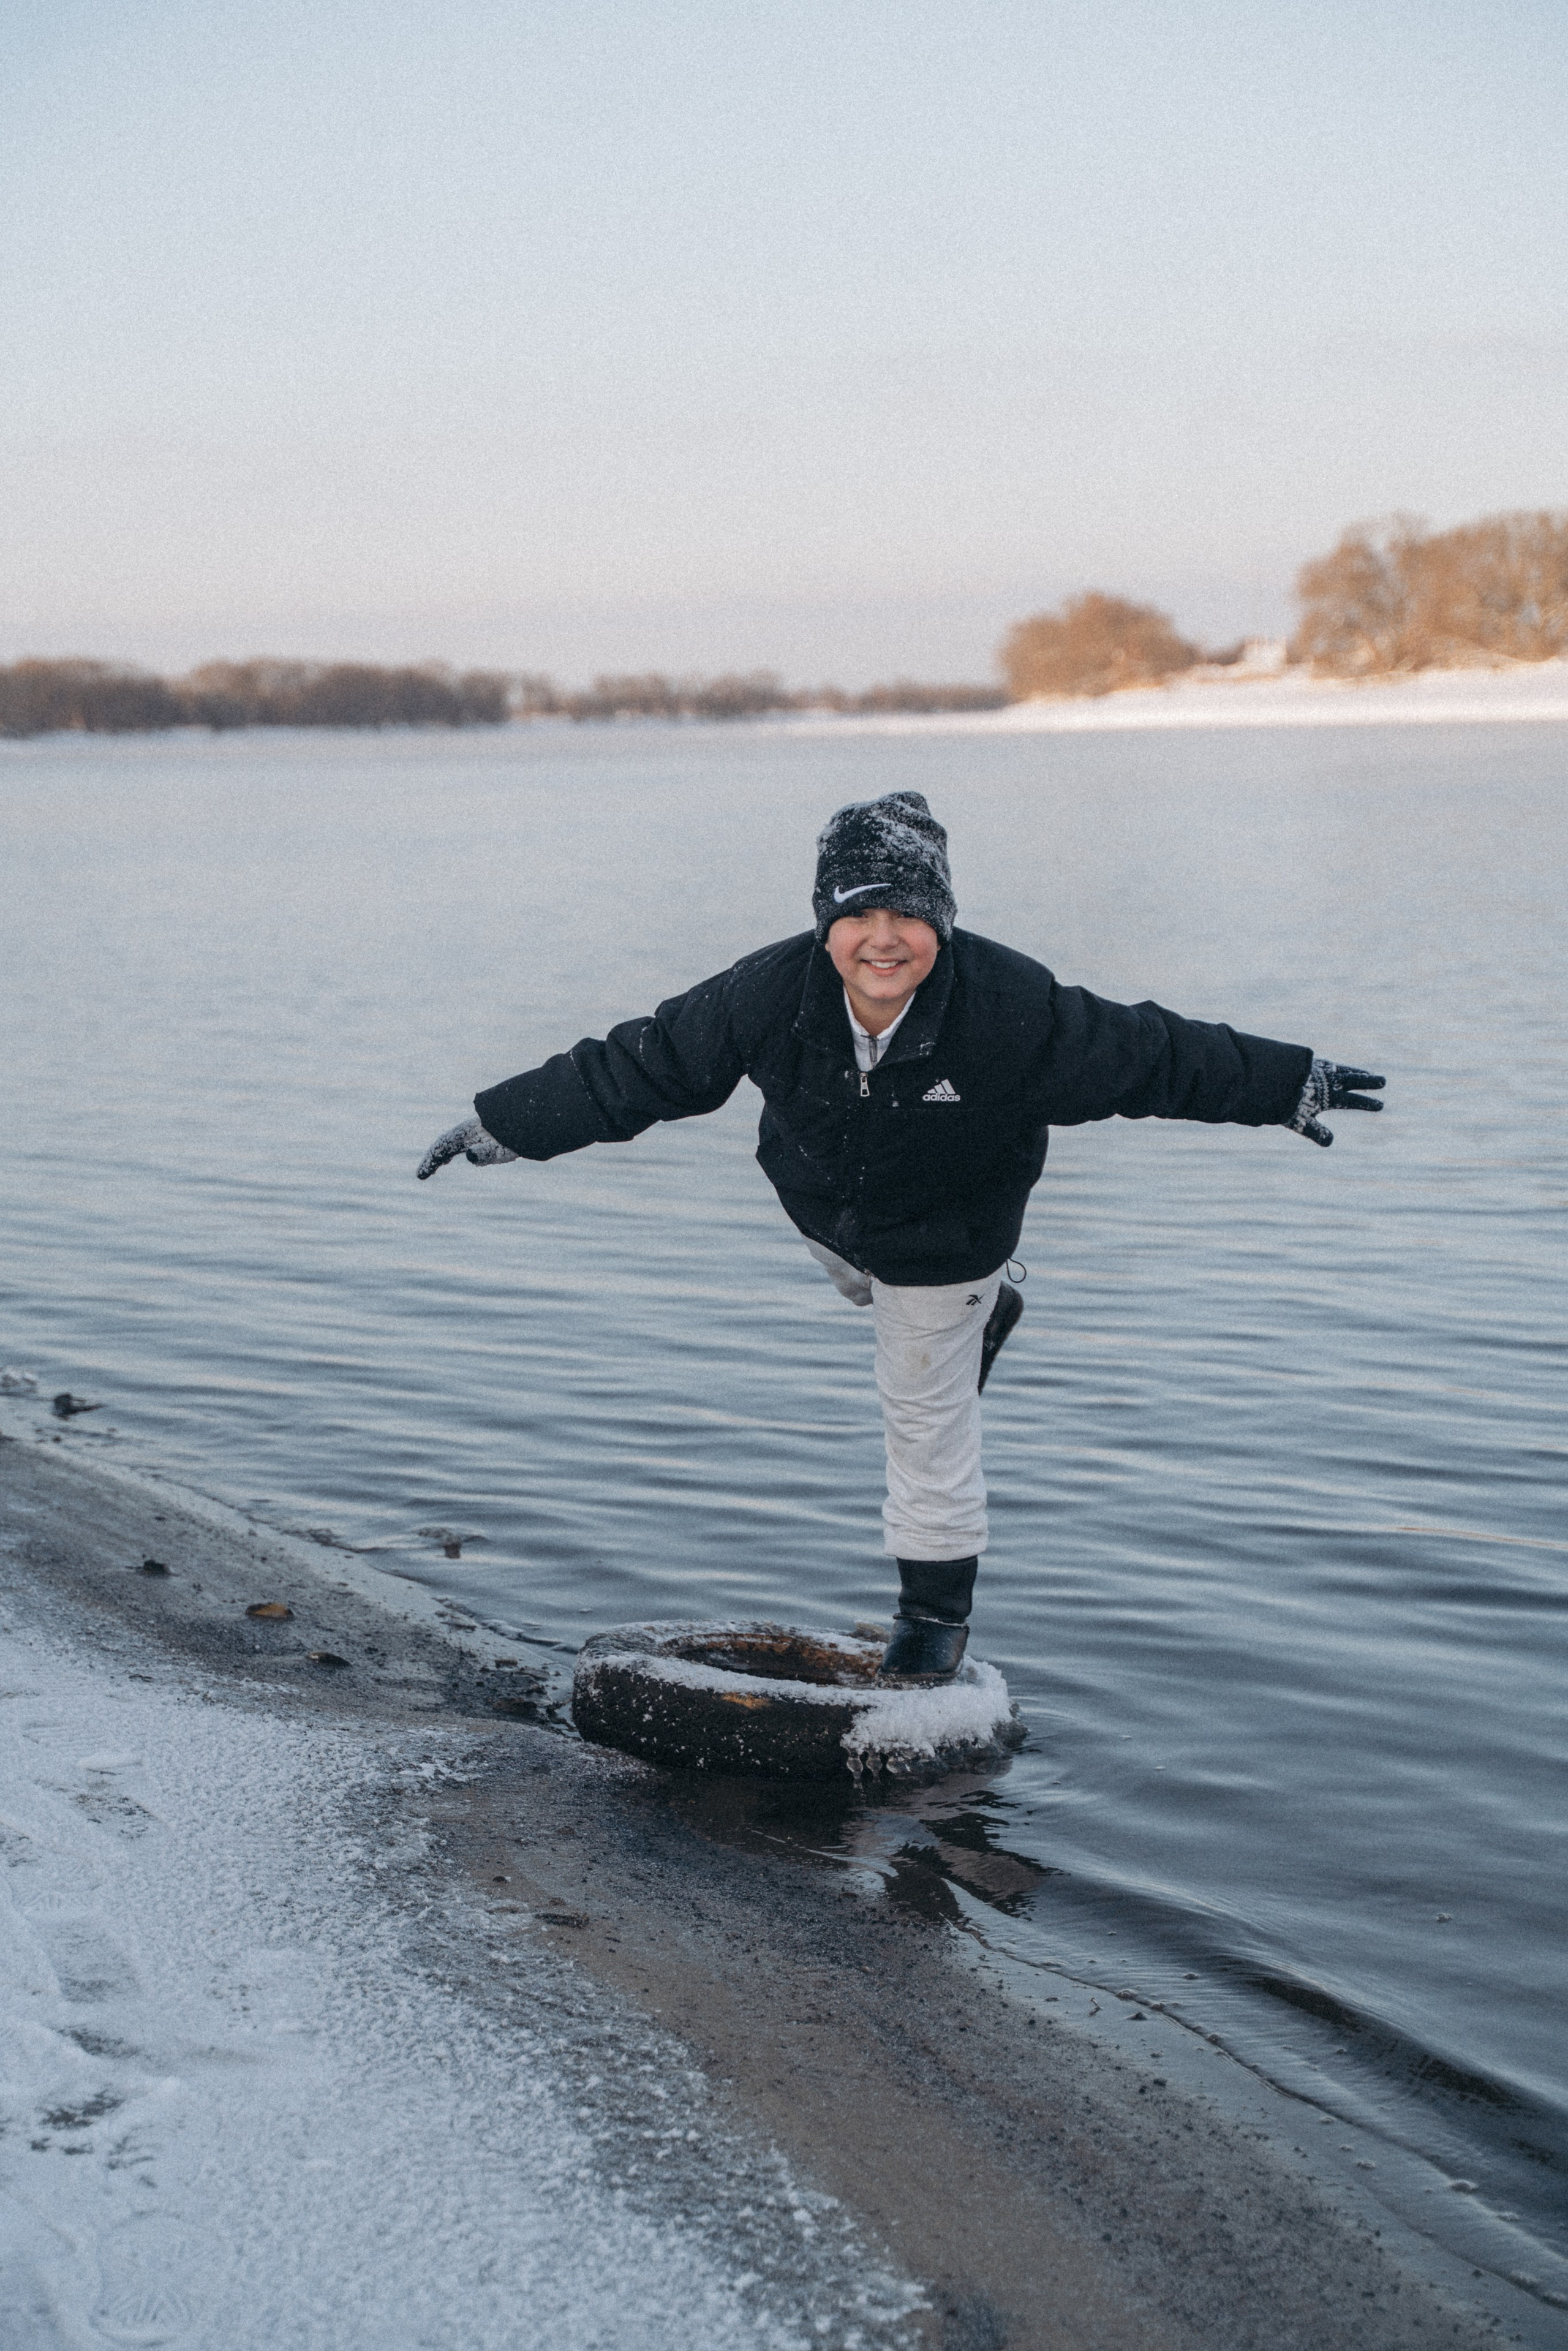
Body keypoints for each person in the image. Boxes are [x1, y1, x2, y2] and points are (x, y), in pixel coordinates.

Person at [418, 790, 1384, 1683]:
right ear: (824, 921)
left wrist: (1279, 1081)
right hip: (826, 1213)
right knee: (869, 1295)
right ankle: (986, 1307)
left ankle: (932, 1622)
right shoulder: (768, 993)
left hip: (950, 1233)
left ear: (943, 921)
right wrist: (510, 1121)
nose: (883, 940)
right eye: (857, 914)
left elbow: (1151, 1055)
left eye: (909, 915)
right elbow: (646, 1063)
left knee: (923, 1416)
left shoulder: (1010, 1008)